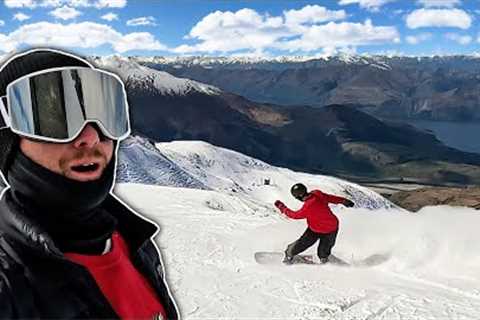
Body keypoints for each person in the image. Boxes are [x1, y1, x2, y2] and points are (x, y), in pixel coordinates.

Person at [0, 49, 179, 319]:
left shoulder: (133, 240)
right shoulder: (7, 285)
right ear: (8, 141)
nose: (91, 136)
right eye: (53, 120)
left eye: (102, 115)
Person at [274, 183, 355, 264]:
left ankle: (289, 255)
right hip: (331, 228)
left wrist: (282, 207)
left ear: (298, 197)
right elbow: (330, 198)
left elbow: (294, 215)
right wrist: (343, 201)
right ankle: (324, 259)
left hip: (316, 230)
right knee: (323, 252)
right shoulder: (317, 194)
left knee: (301, 245)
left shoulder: (308, 206)